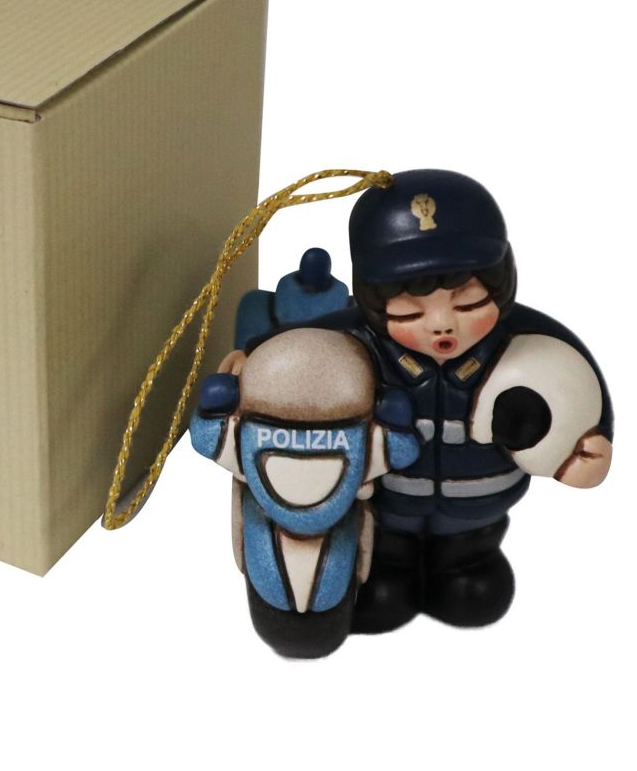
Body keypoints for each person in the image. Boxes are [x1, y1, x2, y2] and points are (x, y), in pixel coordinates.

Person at [216, 169, 613, 651]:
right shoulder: (354, 345)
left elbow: (579, 385)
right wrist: (254, 361)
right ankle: (388, 570)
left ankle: (463, 565)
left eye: (468, 303)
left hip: (477, 519)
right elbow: (301, 346)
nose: (442, 325)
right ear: (371, 301)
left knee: (473, 589)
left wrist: (587, 445)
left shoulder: (530, 344)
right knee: (383, 583)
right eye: (410, 311)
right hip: (388, 512)